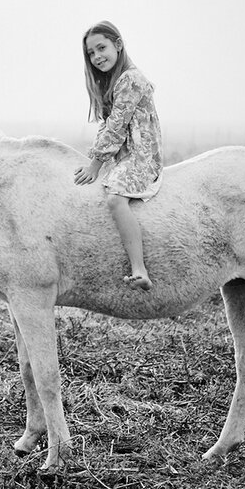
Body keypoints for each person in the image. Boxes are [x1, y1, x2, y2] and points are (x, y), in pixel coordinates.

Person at [73, 21, 163, 290]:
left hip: (141, 157)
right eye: (91, 53)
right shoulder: (115, 81)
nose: (97, 57)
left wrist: (95, 164)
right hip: (123, 156)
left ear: (118, 45)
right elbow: (106, 124)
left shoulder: (131, 79)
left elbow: (117, 125)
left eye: (102, 48)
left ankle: (139, 268)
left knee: (115, 200)